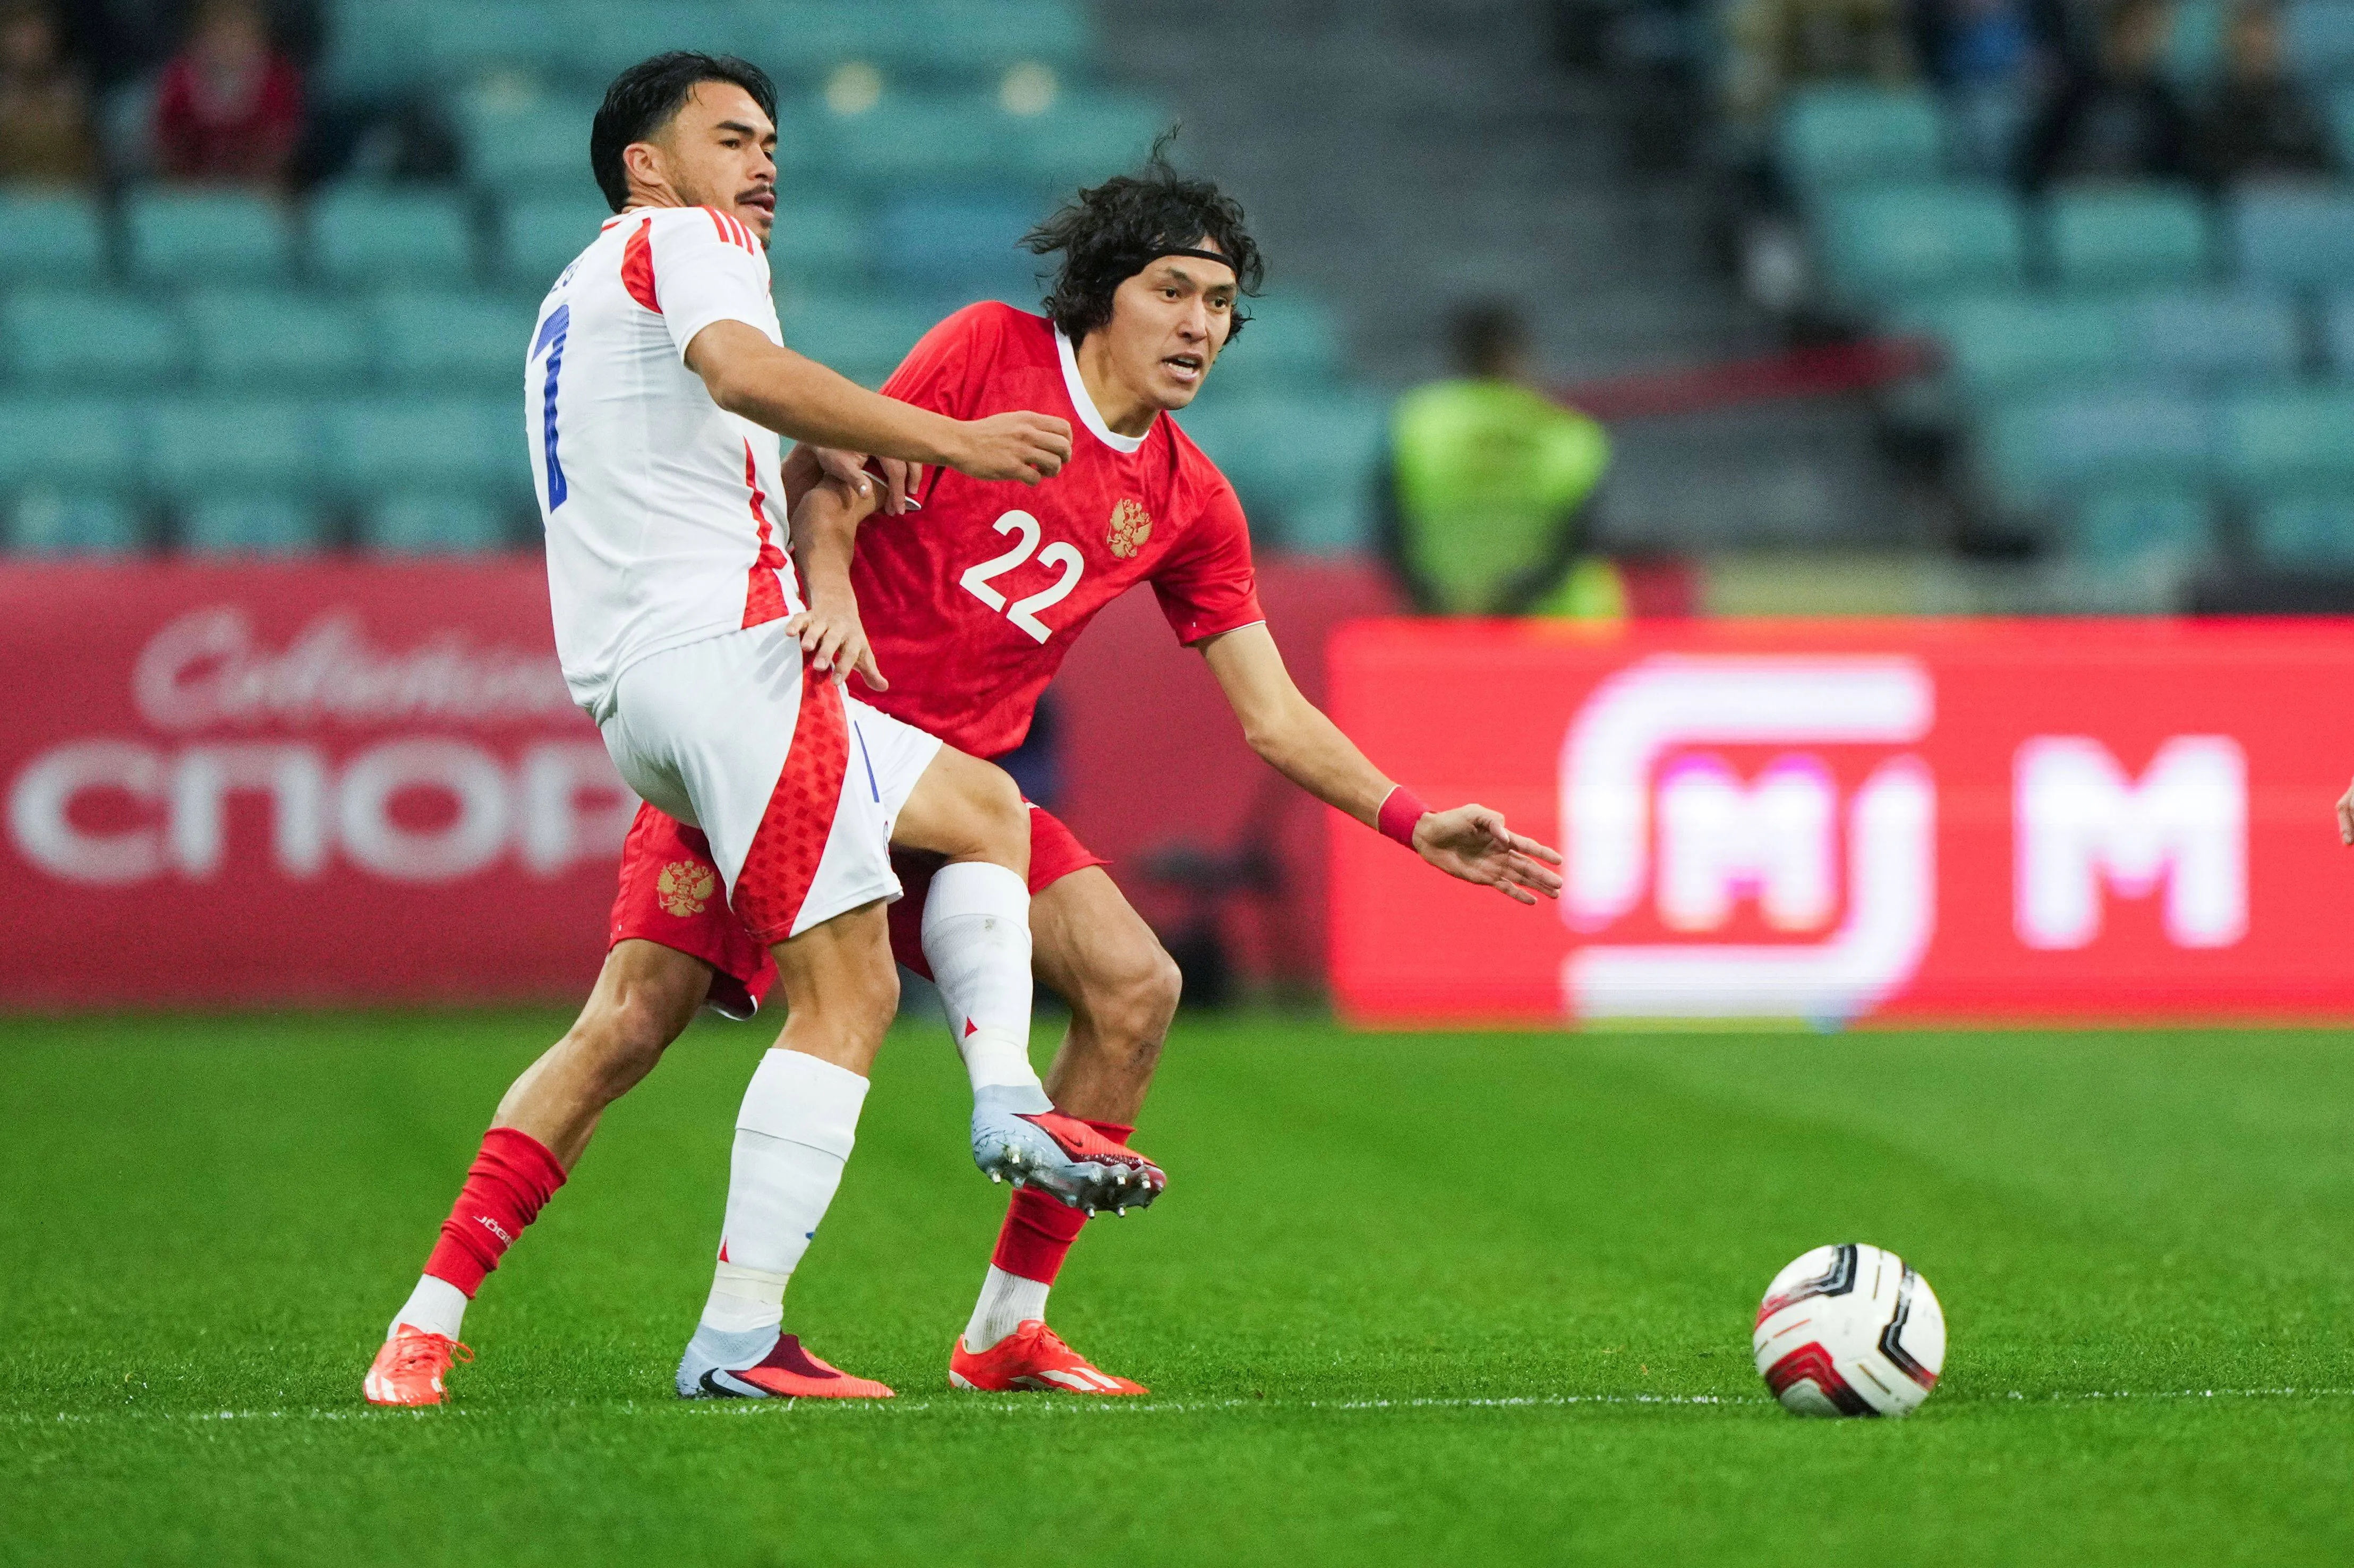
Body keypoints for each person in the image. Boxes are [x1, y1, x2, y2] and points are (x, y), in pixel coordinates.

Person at [477, 137, 1566, 1403]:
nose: (1199, 325)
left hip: (961, 804)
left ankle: (1006, 1324)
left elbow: (1270, 713)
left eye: (1220, 304)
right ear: (1106, 292)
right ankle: (438, 1308)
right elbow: (838, 471)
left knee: (1136, 987)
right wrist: (830, 594)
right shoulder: (989, 350)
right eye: (1172, 290)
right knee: (627, 1027)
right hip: (799, 741)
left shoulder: (1191, 501)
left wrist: (1411, 817)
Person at [363, 53, 1153, 1409]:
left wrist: (835, 455)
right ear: (646, 167)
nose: (763, 164)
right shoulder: (695, 236)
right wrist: (941, 437)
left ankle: (423, 1318)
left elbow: (713, 411)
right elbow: (740, 370)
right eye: (731, 138)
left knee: (972, 817)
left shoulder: (575, 290)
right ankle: (740, 1337)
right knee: (848, 992)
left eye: (771, 142)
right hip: (732, 669)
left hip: (640, 689)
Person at [1382, 302, 1615, 618]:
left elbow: (1390, 528)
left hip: (1444, 617)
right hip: (1547, 623)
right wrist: (1506, 603)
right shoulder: (1567, 432)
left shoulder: (1416, 421)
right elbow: (1579, 543)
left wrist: (1440, 600)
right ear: (1516, 352)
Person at [2018, 0, 2189, 191]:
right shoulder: (2075, 96)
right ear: (2113, 31)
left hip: (2142, 210)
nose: (2145, 42)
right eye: (2135, 30)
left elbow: (2178, 177)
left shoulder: (2166, 105)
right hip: (2080, 205)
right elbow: (2040, 164)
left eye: (2152, 33)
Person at [150, 0, 302, 185]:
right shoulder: (179, 81)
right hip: (193, 190)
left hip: (254, 189)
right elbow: (168, 147)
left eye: (238, 32)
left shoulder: (275, 81)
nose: (229, 41)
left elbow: (278, 150)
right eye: (219, 31)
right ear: (200, 36)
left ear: (257, 36)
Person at [2189, 0, 2335, 187]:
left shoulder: (2301, 112)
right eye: (2247, 39)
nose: (2255, 47)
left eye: (2262, 37)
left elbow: (2321, 174)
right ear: (2229, 42)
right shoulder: (2204, 110)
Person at [0, 1, 97, 186]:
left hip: (67, 204)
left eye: (35, 31)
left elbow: (89, 170)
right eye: (18, 31)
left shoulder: (74, 96)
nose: (28, 42)